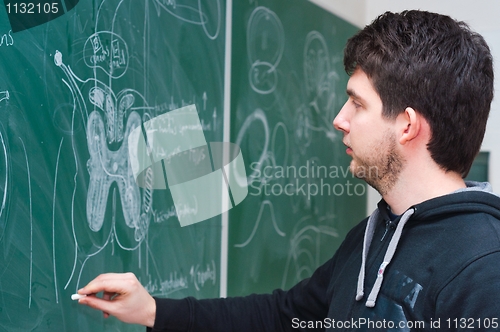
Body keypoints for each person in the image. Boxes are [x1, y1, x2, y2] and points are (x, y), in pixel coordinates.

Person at [77, 10, 500, 331]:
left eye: (357, 103)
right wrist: (154, 310)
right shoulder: (370, 238)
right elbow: (286, 316)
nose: (339, 119)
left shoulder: (484, 270)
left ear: (406, 125)